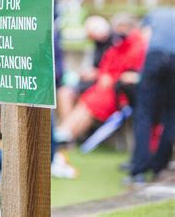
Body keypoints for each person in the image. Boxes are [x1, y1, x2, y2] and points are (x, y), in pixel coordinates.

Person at [55, 14, 147, 142]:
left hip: (117, 92)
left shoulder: (135, 46)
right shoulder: (118, 46)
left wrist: (109, 76)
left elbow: (131, 71)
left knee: (90, 104)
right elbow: (108, 64)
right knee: (80, 100)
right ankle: (66, 133)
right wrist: (103, 75)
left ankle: (65, 134)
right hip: (103, 88)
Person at [128, 7, 175, 183]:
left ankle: (138, 170)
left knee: (144, 113)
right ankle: (158, 167)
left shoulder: (154, 14)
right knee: (172, 114)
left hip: (155, 57)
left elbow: (144, 38)